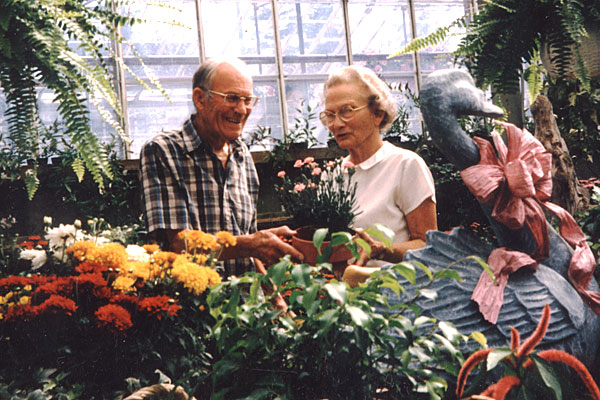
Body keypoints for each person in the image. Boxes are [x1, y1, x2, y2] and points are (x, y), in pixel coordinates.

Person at [140, 57, 303, 278]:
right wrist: (252, 243)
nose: (241, 109)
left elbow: (248, 253)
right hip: (193, 305)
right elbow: (179, 244)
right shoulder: (164, 151)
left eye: (247, 100)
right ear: (200, 98)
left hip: (244, 307)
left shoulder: (241, 155)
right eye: (232, 98)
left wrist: (277, 305)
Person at [319, 65, 437, 286]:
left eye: (346, 111)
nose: (336, 124)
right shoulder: (331, 176)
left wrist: (382, 251)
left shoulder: (405, 165)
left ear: (377, 114)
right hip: (343, 300)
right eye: (330, 115)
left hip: (397, 296)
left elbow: (428, 245)